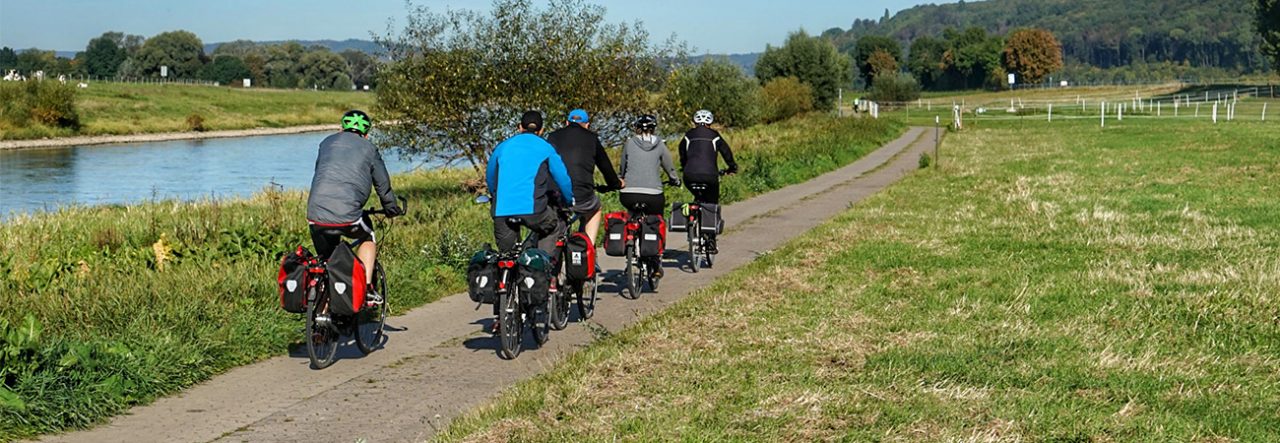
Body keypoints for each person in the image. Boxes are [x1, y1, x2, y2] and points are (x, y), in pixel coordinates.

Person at [307, 110, 404, 301]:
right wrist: (391, 208)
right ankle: (367, 289)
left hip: (315, 213)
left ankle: (323, 312)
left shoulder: (326, 143)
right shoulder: (369, 148)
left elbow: (322, 171)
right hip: (348, 215)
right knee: (368, 236)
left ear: (342, 128)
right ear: (366, 133)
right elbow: (382, 185)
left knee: (327, 262)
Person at [485, 110, 575, 253]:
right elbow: (563, 179)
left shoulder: (502, 147)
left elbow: (490, 176)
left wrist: (494, 195)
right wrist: (569, 201)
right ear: (541, 130)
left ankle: (504, 273)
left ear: (520, 127)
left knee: (507, 255)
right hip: (535, 211)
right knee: (552, 226)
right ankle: (543, 263)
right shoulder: (546, 148)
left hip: (502, 211)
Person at [545, 108, 623, 245]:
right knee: (595, 209)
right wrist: (616, 184)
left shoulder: (552, 136)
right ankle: (589, 249)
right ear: (587, 125)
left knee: (555, 217)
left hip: (555, 195)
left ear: (567, 123)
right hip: (582, 196)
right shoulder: (592, 138)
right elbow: (606, 168)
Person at [619, 114, 679, 278]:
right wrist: (675, 180)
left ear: (637, 128)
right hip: (653, 195)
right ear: (654, 128)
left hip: (628, 194)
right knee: (656, 219)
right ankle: (657, 260)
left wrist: (621, 178)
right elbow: (669, 166)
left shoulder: (629, 143)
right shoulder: (660, 144)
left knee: (631, 215)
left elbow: (623, 167)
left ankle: (630, 244)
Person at [678, 109, 737, 254]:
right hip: (710, 176)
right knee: (711, 203)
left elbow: (682, 154)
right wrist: (732, 167)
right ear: (710, 123)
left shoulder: (687, 136)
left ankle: (692, 216)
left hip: (689, 175)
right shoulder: (714, 136)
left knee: (698, 196)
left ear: (695, 122)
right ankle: (710, 241)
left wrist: (684, 166)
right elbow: (726, 152)